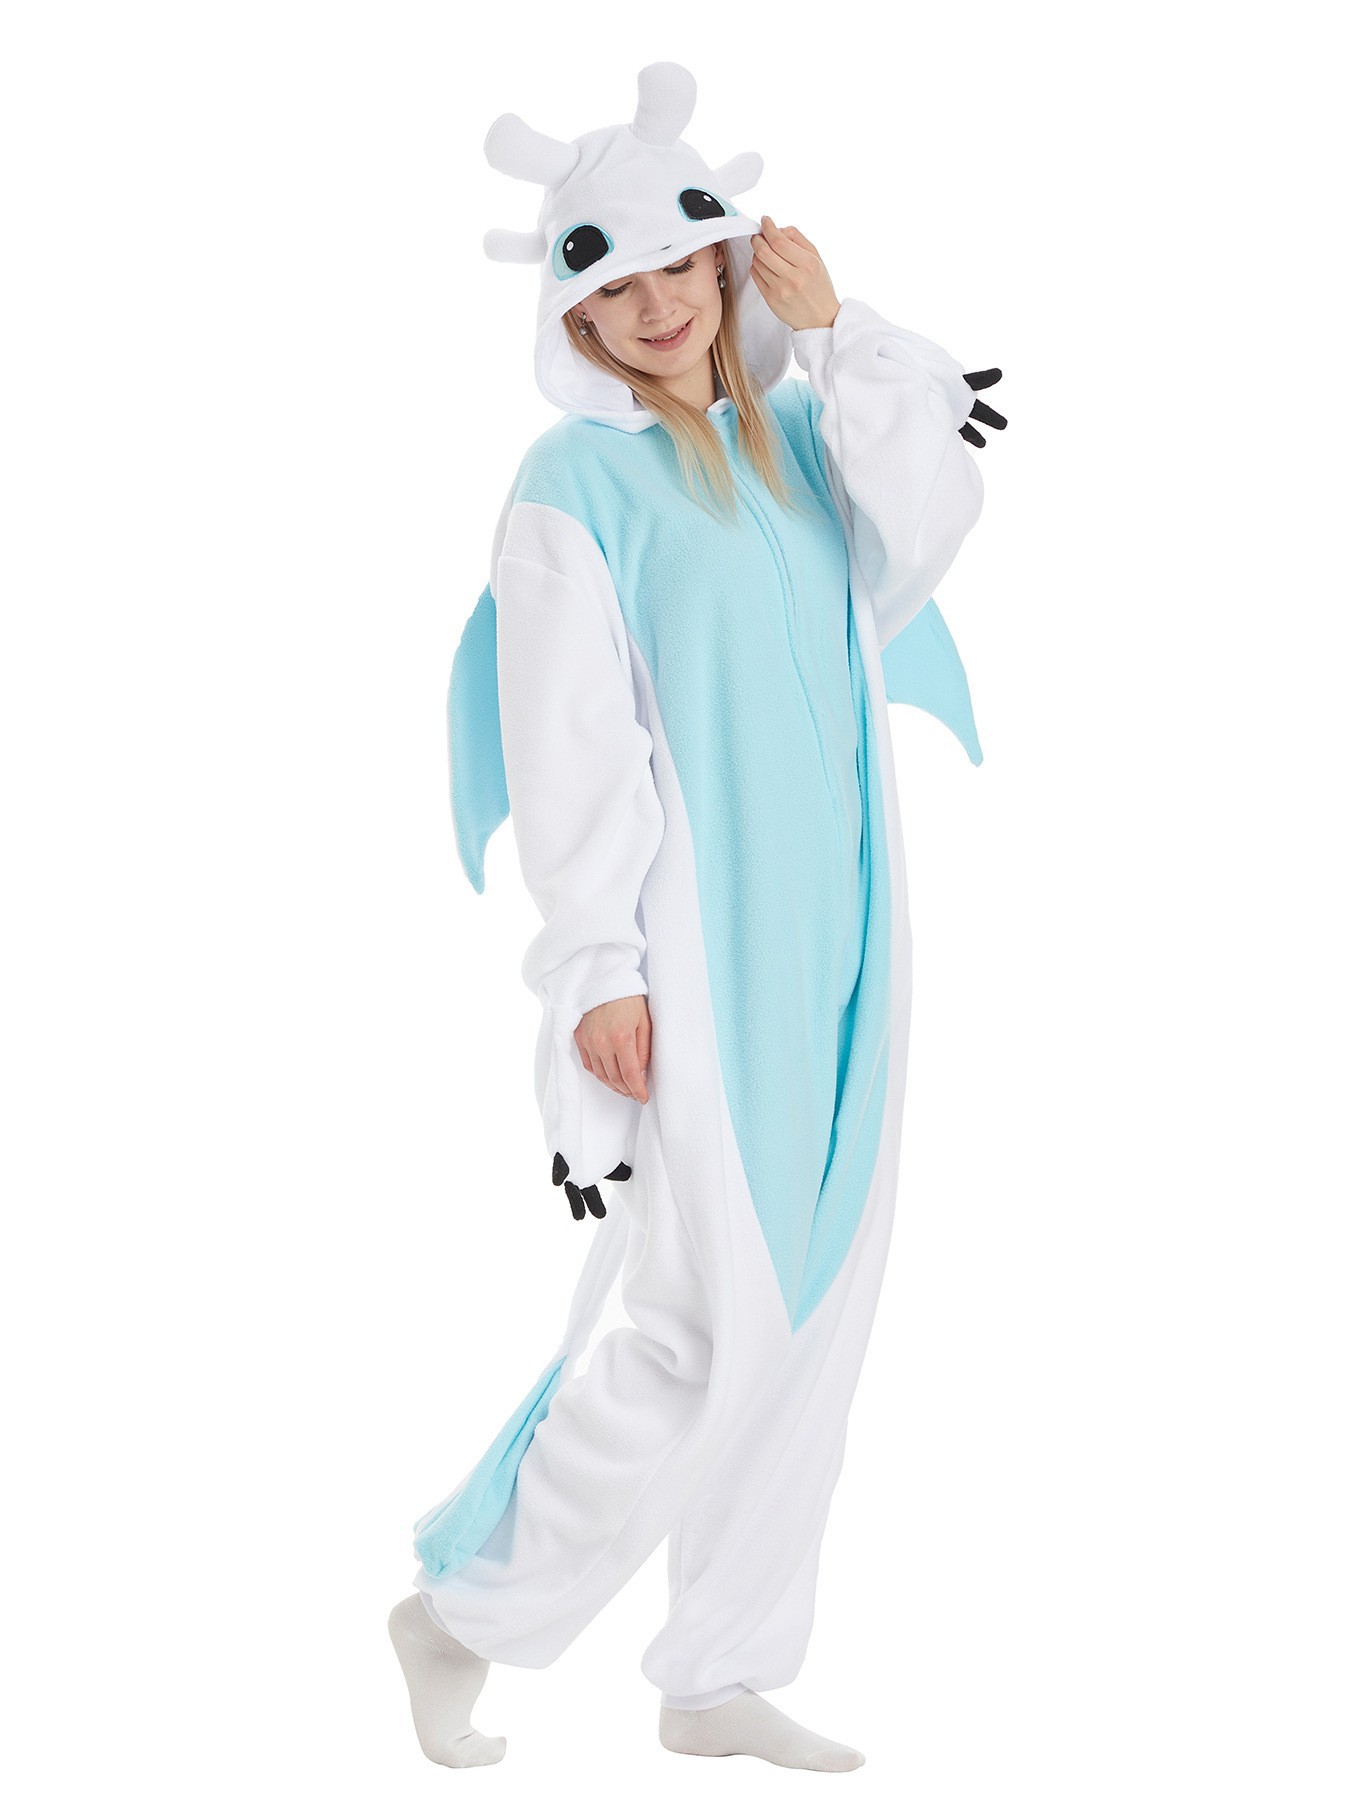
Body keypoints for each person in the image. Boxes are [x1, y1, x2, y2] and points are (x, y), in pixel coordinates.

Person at [388, 60, 1005, 1773]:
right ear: (571, 316)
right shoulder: (570, 489)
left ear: (730, 259)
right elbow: (567, 744)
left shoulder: (802, 441)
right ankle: (465, 1615)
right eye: (613, 286)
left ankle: (718, 1669)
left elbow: (925, 528)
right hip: (700, 947)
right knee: (704, 1320)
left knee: (818, 1313)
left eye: (681, 264)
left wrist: (841, 327)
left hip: (856, 931)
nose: (656, 306)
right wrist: (597, 963)